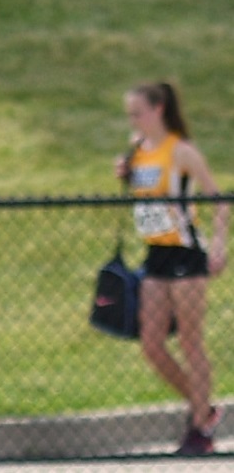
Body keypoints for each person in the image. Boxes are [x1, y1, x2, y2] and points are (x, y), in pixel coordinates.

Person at [115, 82, 228, 456]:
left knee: (190, 342)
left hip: (186, 255)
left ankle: (200, 431)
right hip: (155, 255)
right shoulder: (137, 151)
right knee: (151, 345)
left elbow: (219, 199)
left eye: (138, 112)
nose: (133, 120)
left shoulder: (181, 151)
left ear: (158, 109)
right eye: (130, 114)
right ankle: (205, 409)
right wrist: (126, 175)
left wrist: (218, 243)